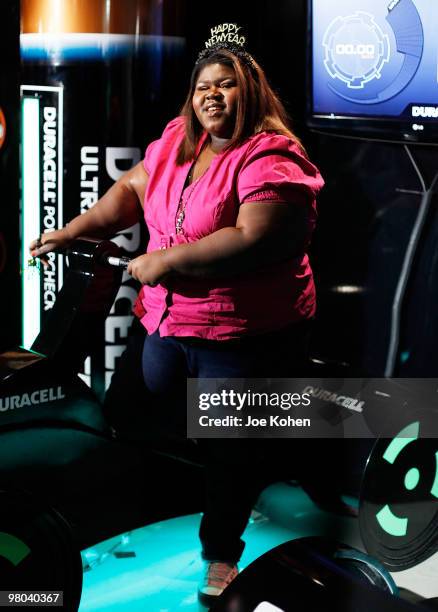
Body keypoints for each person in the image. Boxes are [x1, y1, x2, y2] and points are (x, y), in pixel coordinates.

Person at [30, 36, 324, 606]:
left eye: (225, 84)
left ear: (251, 91)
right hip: (168, 318)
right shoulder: (177, 142)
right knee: (130, 415)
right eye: (202, 87)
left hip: (240, 332)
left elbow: (252, 237)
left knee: (227, 446)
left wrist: (163, 259)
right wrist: (75, 230)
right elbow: (131, 189)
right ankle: (206, 489)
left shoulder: (273, 157)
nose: (212, 96)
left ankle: (222, 552)